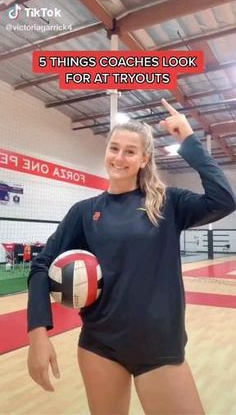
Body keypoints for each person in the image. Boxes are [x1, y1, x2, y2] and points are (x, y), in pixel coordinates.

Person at [27, 99, 236, 415]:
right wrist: (38, 334)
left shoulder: (168, 202)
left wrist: (189, 142)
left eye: (129, 151)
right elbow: (41, 264)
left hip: (160, 348)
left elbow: (224, 199)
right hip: (100, 346)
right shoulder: (85, 212)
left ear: (144, 158)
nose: (119, 157)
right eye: (114, 148)